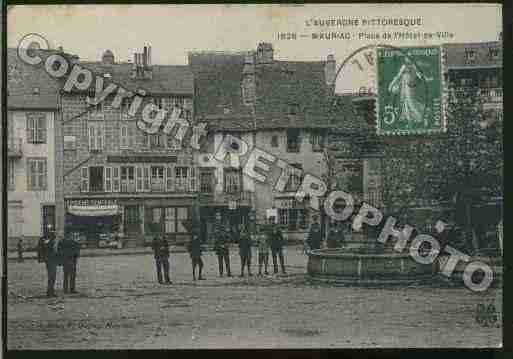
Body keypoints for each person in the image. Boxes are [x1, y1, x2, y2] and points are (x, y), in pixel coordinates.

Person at [37, 232, 59, 297]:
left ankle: (51, 291)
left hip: (53, 260)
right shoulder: (46, 241)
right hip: (50, 260)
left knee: (53, 276)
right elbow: (41, 248)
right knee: (51, 276)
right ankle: (50, 292)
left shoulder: (49, 241)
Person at [213, 212, 231, 277]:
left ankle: (228, 273)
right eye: (217, 216)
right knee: (220, 262)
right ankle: (221, 273)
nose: (218, 217)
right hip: (219, 247)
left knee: (227, 261)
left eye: (219, 216)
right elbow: (215, 237)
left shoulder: (224, 225)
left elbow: (228, 236)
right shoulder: (215, 225)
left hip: (225, 247)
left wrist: (226, 244)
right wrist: (219, 245)